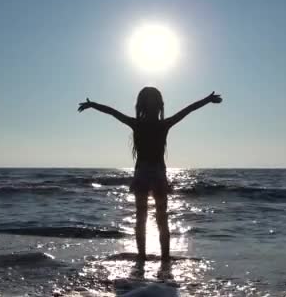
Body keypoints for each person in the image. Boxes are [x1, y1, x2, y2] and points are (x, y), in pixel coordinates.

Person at [78, 87, 222, 261]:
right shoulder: (137, 123)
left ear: (159, 104)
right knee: (141, 217)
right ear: (143, 104)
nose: (152, 103)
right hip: (143, 173)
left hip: (158, 173)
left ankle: (165, 259)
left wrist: (207, 100)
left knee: (162, 217)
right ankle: (142, 258)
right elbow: (112, 112)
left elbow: (188, 110)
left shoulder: (163, 124)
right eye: (149, 99)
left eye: (155, 99)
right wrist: (92, 105)